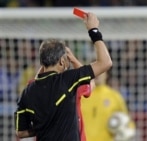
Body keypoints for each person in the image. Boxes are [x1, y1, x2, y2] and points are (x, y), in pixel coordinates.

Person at [14, 12, 112, 141]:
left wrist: (44, 126)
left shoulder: (27, 91)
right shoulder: (69, 81)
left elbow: (20, 132)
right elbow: (104, 64)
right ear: (62, 61)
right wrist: (93, 30)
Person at [79, 71, 136, 141]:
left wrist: (126, 132)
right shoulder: (80, 96)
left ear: (107, 75)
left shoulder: (114, 97)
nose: (98, 74)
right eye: (94, 70)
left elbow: (127, 121)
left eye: (102, 71)